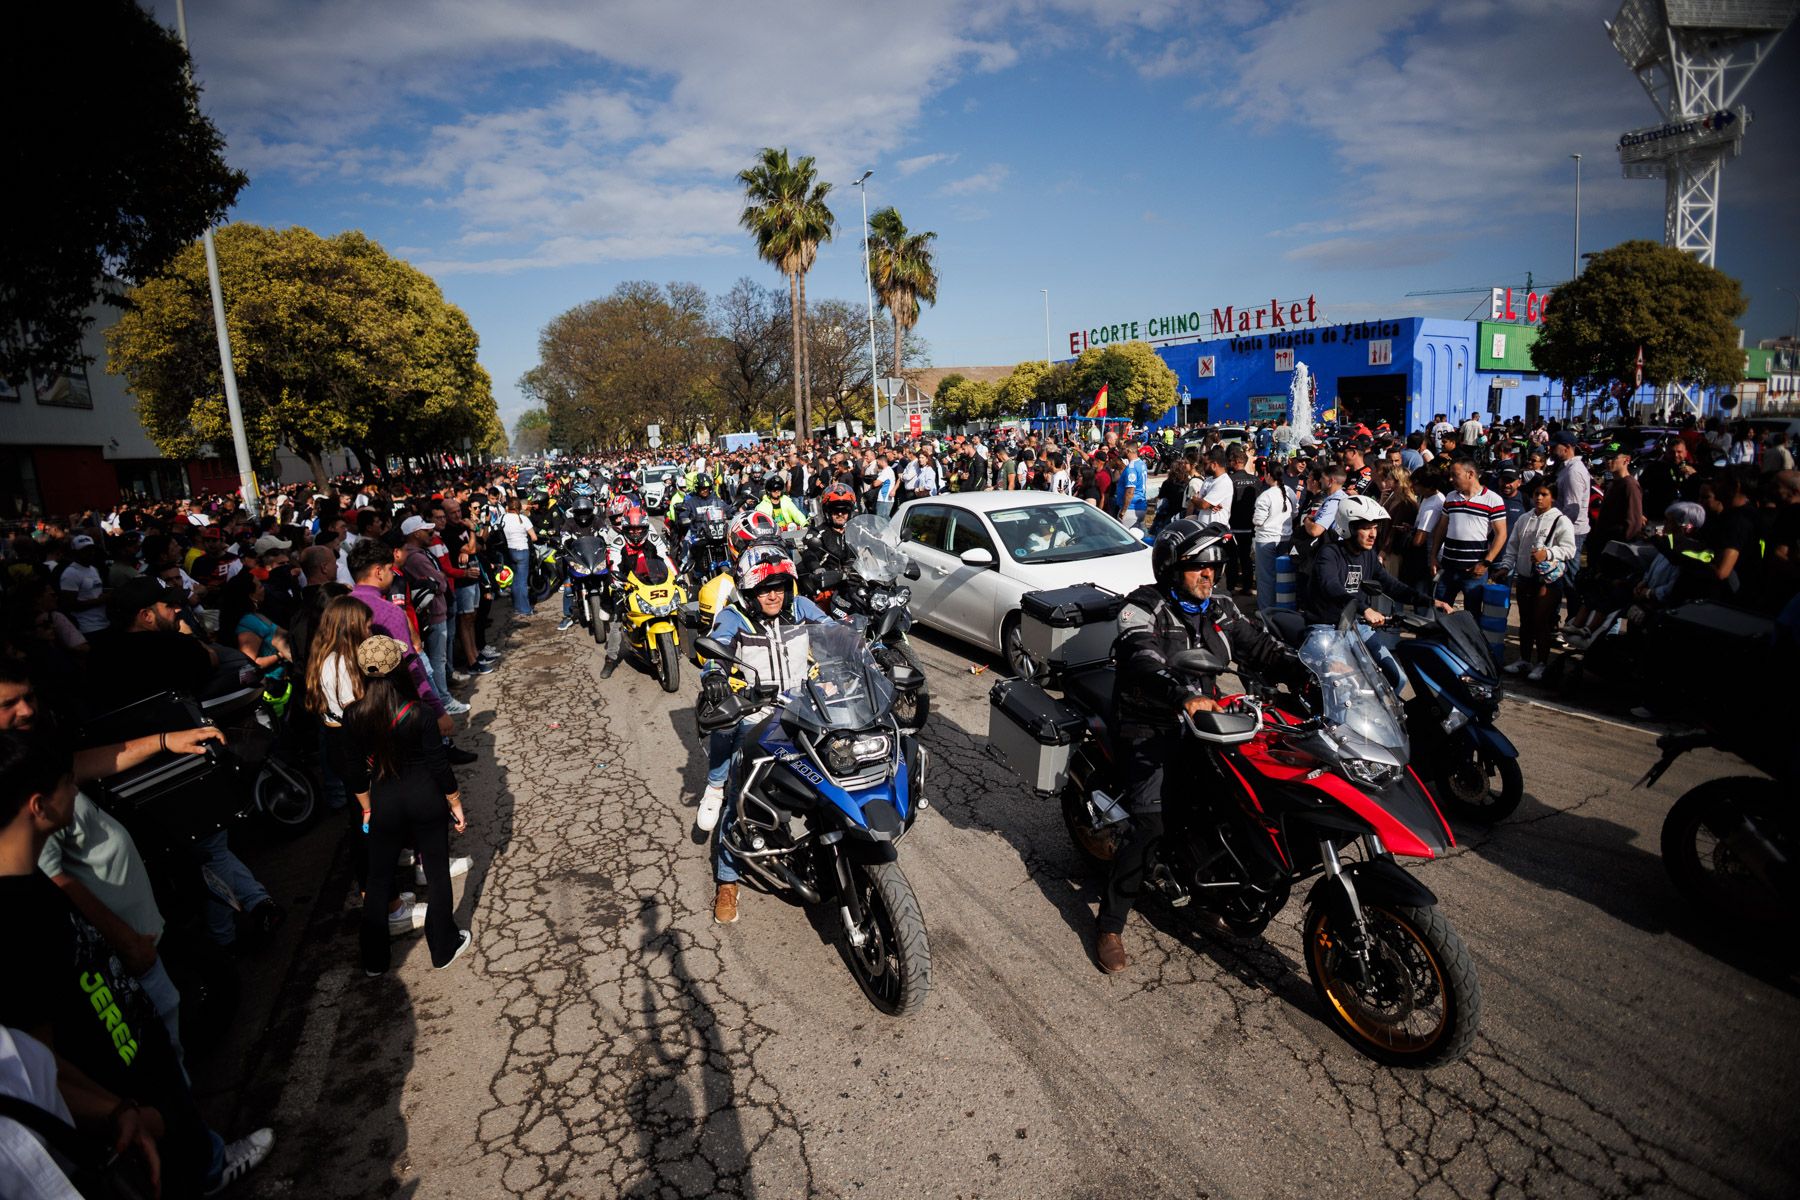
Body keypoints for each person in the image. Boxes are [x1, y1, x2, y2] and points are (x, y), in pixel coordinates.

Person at [0, 730, 275, 1195]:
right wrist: (117, 1109)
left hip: (135, 1058)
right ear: (38, 807)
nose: (76, 792)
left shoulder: (32, 887)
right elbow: (38, 1064)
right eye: (68, 784)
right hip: (124, 1089)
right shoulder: (18, 917)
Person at [1095, 520, 1307, 974]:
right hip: (1149, 725)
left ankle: (1216, 888)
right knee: (1150, 824)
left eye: (1215, 566)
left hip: (1209, 725)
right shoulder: (1143, 607)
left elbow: (1263, 647)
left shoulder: (1222, 608)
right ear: (1173, 568)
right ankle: (1110, 923)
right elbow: (1140, 656)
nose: (1209, 575)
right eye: (1198, 567)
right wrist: (1181, 693)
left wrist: (1305, 671)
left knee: (1241, 803)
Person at [695, 545, 834, 923]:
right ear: (748, 590)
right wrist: (715, 678)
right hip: (757, 717)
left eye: (778, 585)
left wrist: (860, 648)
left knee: (834, 779)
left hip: (807, 712)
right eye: (763, 587)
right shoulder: (733, 616)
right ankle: (727, 882)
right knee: (738, 799)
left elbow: (835, 632)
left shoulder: (800, 606)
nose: (773, 594)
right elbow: (715, 652)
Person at [342, 636, 474, 977]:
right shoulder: (420, 713)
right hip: (425, 799)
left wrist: (367, 807)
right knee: (435, 872)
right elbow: (439, 765)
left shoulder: (354, 715)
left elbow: (354, 772)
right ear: (399, 668)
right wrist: (455, 802)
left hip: (384, 801)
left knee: (379, 876)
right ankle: (443, 946)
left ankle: (374, 960)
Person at [1303, 496, 1451, 627]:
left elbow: (1392, 586)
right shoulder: (1329, 553)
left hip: (1355, 625)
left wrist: (1431, 602)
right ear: (1349, 528)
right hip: (1326, 627)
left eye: (1375, 528)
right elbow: (1331, 587)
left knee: (1386, 659)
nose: (1373, 535)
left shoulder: (1369, 555)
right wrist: (1365, 609)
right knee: (1339, 660)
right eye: (1366, 528)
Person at [1501, 480, 1576, 680]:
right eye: (1536, 494)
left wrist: (1548, 553)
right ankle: (1524, 660)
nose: (1539, 498)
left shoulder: (1561, 520)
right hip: (1525, 578)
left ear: (1553, 497)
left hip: (1547, 581)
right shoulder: (1524, 519)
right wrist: (1506, 567)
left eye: (1544, 494)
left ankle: (1542, 662)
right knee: (1526, 621)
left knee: (1541, 622)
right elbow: (1513, 547)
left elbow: (1570, 549)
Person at [1428, 459, 1508, 612]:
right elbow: (1441, 529)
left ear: (1470, 474)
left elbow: (1501, 534)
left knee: (1472, 613)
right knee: (1440, 610)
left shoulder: (1493, 500)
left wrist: (1485, 563)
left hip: (1474, 572)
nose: (1451, 479)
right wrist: (1433, 556)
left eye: (1455, 475)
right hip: (1448, 568)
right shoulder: (1451, 497)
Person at [798, 483, 858, 599]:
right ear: (827, 511)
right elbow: (808, 554)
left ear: (850, 511)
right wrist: (817, 568)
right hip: (830, 587)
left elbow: (873, 546)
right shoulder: (817, 532)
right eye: (836, 510)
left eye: (844, 510)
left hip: (857, 583)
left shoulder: (858, 531)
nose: (840, 514)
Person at [1250, 457, 1294, 611]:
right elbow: (1294, 513)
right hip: (1285, 539)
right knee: (1282, 576)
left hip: (1266, 540)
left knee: (1266, 578)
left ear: (1268, 475)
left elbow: (1258, 521)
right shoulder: (1290, 492)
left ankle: (1266, 612)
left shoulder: (1265, 496)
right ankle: (1282, 609)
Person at [498, 498, 537, 617]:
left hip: (509, 551)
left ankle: (517, 607)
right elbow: (534, 537)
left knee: (514, 580)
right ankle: (525, 609)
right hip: (522, 551)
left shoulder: (502, 518)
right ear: (519, 507)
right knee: (522, 582)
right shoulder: (524, 519)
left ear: (507, 507)